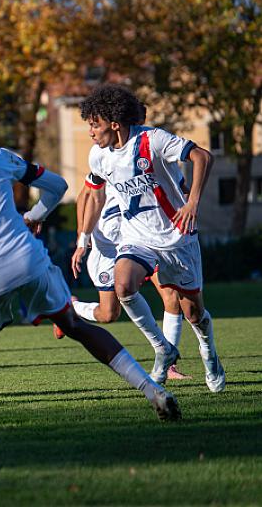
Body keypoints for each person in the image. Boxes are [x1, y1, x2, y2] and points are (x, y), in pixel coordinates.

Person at [0, 102, 180, 425]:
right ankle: (152, 391)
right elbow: (57, 186)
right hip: (26, 258)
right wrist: (34, 216)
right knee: (75, 325)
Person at [74, 84, 224, 392]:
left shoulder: (151, 140)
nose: (90, 131)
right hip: (137, 239)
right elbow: (92, 195)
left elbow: (202, 156)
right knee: (123, 285)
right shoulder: (98, 156)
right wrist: (84, 238)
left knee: (193, 312)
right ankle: (163, 349)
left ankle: (209, 352)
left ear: (114, 122)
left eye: (94, 124)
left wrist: (193, 202)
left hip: (177, 238)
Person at [63, 107, 191, 380]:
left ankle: (167, 362)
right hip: (108, 245)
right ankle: (69, 307)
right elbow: (86, 196)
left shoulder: (151, 151)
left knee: (171, 296)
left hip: (140, 239)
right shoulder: (103, 157)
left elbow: (175, 189)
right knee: (109, 313)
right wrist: (82, 239)